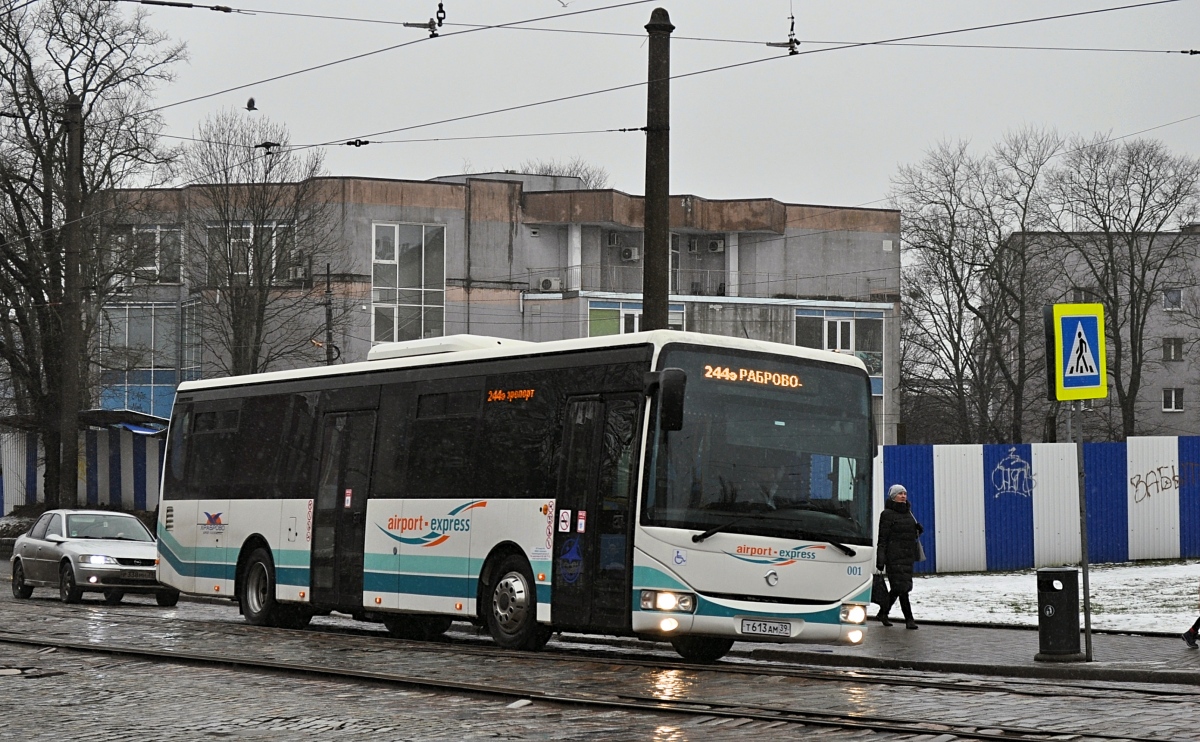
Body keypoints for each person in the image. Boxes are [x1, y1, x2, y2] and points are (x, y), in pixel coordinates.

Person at [876, 483, 924, 629]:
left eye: (904, 493)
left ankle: (883, 612)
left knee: (901, 588)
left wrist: (917, 530)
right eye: (900, 494)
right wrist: (881, 558)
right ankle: (909, 619)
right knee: (901, 588)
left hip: (907, 556)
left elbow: (908, 535)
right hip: (894, 557)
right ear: (893, 496)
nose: (903, 496)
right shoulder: (887, 515)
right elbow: (882, 538)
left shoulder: (909, 513)